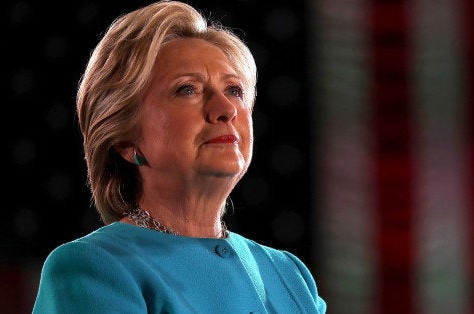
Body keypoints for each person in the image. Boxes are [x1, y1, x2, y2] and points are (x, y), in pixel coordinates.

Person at [32, 1, 327, 313]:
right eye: (188, 90)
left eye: (234, 90)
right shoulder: (94, 268)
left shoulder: (289, 275)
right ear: (124, 139)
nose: (226, 109)